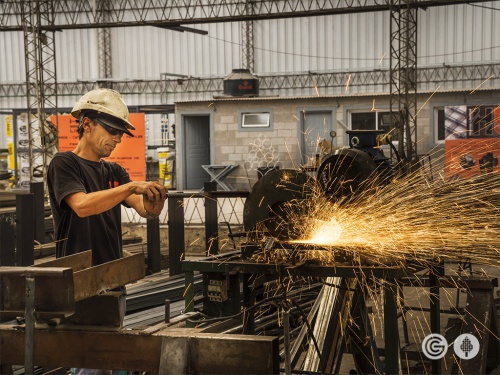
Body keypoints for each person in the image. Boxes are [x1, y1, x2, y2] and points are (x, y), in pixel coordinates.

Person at [47, 88, 166, 374]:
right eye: (112, 130)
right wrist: (129, 187)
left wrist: (155, 201)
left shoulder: (113, 172)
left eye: (121, 134)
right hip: (80, 284)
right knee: (89, 365)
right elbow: (82, 206)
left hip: (113, 281)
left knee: (109, 362)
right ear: (86, 124)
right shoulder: (64, 164)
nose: (117, 138)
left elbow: (144, 209)